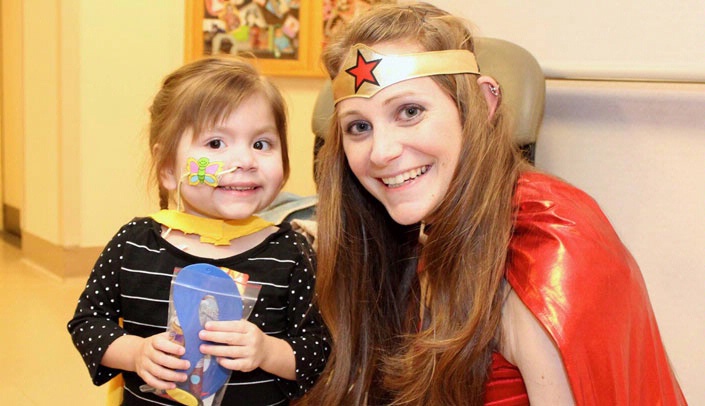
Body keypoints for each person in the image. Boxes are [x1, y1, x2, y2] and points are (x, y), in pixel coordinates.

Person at [306, 3, 686, 405]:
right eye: (359, 127)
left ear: (483, 104)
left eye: (410, 111)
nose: (381, 152)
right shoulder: (424, 231)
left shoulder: (545, 246)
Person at [67, 57, 329, 405]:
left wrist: (268, 351)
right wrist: (135, 353)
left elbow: (319, 351)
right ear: (168, 168)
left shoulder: (292, 252)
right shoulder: (133, 245)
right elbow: (87, 324)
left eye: (261, 144)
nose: (246, 161)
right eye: (216, 144)